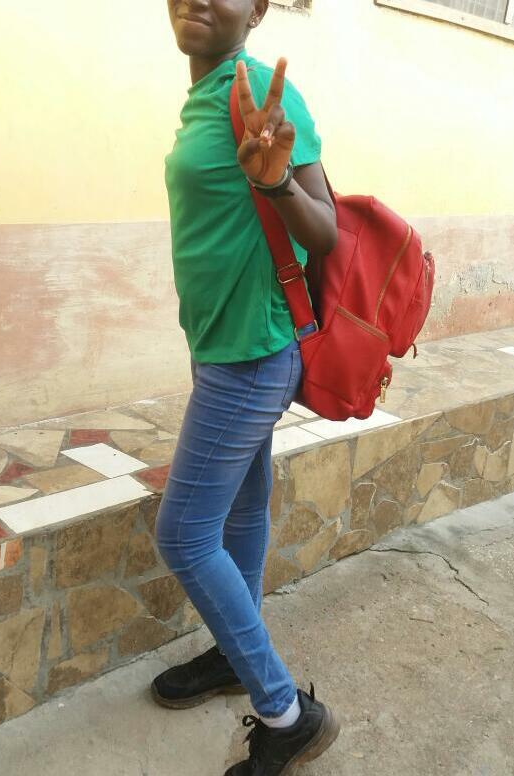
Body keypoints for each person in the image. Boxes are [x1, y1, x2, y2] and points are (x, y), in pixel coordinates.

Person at [153, 1, 340, 773]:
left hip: (252, 354)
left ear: (257, 8)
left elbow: (326, 229)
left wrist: (276, 185)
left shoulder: (259, 89)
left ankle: (285, 713)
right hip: (218, 345)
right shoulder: (204, 93)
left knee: (181, 534)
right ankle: (235, 653)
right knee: (237, 509)